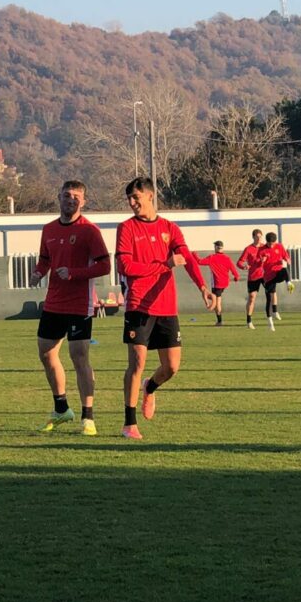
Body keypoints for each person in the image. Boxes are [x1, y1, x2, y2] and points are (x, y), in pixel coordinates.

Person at [116, 177, 214, 440]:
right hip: (138, 306)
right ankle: (129, 423)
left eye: (136, 197)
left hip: (166, 307)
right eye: (129, 199)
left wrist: (203, 287)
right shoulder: (126, 229)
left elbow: (188, 257)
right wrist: (165, 265)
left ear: (150, 196)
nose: (132, 202)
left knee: (171, 367)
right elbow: (127, 268)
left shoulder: (169, 228)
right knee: (136, 363)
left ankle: (151, 387)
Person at [29, 180, 111, 437]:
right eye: (67, 195)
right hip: (54, 302)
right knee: (46, 353)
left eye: (76, 196)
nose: (71, 199)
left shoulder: (90, 231)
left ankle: (88, 416)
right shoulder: (49, 229)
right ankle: (61, 408)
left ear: (83, 201)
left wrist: (74, 274)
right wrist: (38, 272)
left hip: (79, 303)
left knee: (79, 356)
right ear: (59, 198)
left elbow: (104, 266)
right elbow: (45, 259)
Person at [195, 240, 240, 326]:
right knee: (216, 299)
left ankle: (219, 321)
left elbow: (199, 262)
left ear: (216, 247)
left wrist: (194, 255)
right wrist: (236, 276)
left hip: (217, 283)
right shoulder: (227, 258)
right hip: (225, 283)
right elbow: (233, 269)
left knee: (217, 302)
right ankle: (216, 315)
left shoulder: (212, 257)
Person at [260, 232, 293, 331]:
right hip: (268, 278)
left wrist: (287, 259)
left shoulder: (279, 246)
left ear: (275, 242)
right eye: (269, 243)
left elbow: (286, 256)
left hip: (277, 272)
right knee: (269, 299)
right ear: (266, 242)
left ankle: (289, 283)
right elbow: (258, 263)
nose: (271, 245)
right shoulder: (262, 250)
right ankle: (270, 324)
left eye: (273, 243)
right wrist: (262, 260)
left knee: (284, 269)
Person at [237, 229, 266, 330]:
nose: (259, 238)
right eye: (257, 237)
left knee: (271, 293)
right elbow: (239, 262)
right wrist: (244, 266)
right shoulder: (248, 249)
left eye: (260, 236)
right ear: (253, 237)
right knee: (252, 297)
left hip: (265, 275)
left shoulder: (265, 247)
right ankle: (249, 321)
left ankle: (272, 315)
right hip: (253, 276)